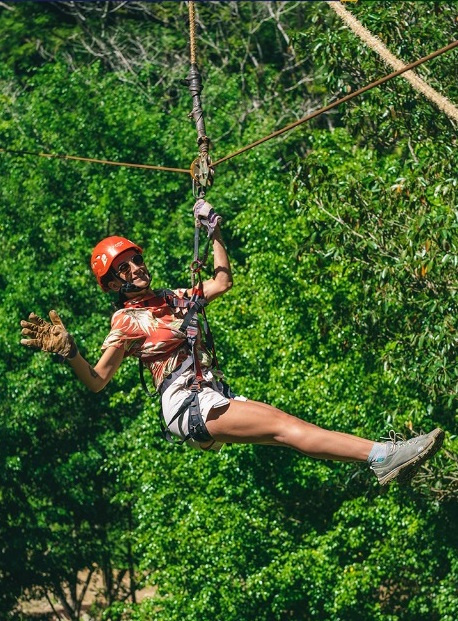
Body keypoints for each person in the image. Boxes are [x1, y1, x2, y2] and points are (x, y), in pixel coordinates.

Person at [20, 199, 444, 486]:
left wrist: (215, 232)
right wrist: (70, 351)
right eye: (124, 269)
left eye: (136, 261)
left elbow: (223, 281)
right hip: (187, 405)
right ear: (113, 284)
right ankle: (383, 455)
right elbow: (96, 381)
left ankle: (381, 460)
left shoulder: (173, 298)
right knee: (284, 426)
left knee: (286, 433)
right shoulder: (128, 319)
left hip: (208, 394)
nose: (135, 269)